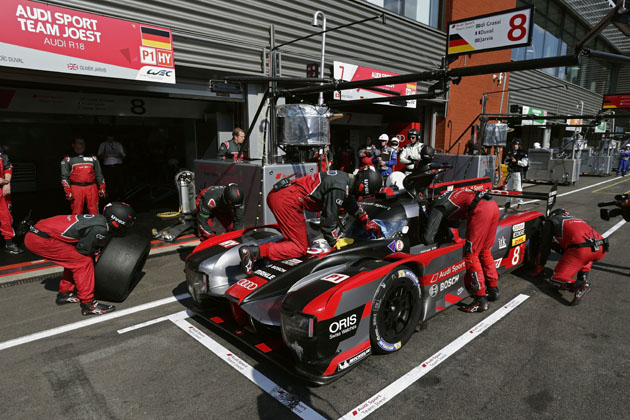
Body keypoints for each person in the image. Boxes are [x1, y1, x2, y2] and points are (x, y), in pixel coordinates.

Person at [238, 169, 384, 275]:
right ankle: (254, 252)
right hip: (287, 200)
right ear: (364, 188)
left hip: (284, 196)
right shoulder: (340, 188)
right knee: (299, 247)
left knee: (295, 239)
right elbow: (328, 220)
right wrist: (334, 241)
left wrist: (365, 220)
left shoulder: (345, 179)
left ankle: (262, 257)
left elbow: (349, 201)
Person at [24, 202, 136, 315]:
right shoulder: (100, 228)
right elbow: (84, 251)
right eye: (125, 224)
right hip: (39, 239)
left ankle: (65, 293)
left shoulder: (100, 220)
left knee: (74, 258)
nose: (126, 227)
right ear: (116, 221)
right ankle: (88, 304)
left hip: (41, 231)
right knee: (83, 262)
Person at [421, 189, 500, 312]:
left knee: (471, 254)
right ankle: (493, 290)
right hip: (493, 206)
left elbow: (428, 238)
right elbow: (457, 223)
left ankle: (480, 299)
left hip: (481, 210)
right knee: (485, 251)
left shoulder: (438, 205)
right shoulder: (449, 195)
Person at [530, 208, 607, 305]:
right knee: (585, 255)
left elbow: (544, 247)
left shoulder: (552, 221)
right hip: (601, 248)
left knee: (555, 279)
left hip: (582, 250)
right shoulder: (576, 219)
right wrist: (554, 245)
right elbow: (569, 247)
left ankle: (579, 286)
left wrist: (539, 267)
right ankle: (582, 278)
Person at [61, 137, 106, 215]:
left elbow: (99, 173)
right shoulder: (68, 159)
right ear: (73, 145)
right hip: (76, 188)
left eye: (83, 143)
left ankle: (95, 223)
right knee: (76, 211)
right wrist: (67, 190)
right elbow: (64, 176)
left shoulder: (93, 157)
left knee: (95, 211)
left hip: (92, 187)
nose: (81, 145)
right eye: (79, 143)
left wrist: (102, 187)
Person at [0, 148, 23, 254]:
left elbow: (7, 167)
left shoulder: (1, 153)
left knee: (6, 217)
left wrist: (7, 183)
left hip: (1, 190)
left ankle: (9, 244)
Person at [98, 132, 126, 201]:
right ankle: (111, 200)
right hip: (108, 167)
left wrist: (118, 156)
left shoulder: (118, 144)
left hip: (117, 166)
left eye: (111, 138)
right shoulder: (103, 144)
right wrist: (103, 156)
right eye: (109, 138)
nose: (110, 140)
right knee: (109, 184)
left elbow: (123, 156)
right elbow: (99, 155)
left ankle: (122, 199)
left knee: (120, 183)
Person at [503, 138, 528, 206]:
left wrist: (516, 161)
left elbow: (525, 163)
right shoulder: (510, 152)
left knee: (518, 188)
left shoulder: (522, 153)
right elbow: (505, 162)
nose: (515, 146)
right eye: (514, 144)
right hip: (510, 172)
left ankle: (519, 202)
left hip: (518, 172)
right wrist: (507, 160)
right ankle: (508, 201)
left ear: (519, 145)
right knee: (509, 187)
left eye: (516, 144)